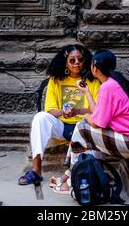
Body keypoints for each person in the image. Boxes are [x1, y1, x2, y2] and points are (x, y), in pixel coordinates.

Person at [52, 49, 129, 194]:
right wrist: (86, 92)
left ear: (94, 67)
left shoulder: (108, 87)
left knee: (82, 128)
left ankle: (73, 179)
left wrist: (84, 117)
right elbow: (97, 113)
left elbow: (96, 123)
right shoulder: (113, 83)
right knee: (84, 132)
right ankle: (76, 176)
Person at [18, 44, 100, 186]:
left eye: (80, 60)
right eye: (72, 60)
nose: (77, 63)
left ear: (85, 61)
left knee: (92, 125)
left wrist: (78, 111)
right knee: (40, 118)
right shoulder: (55, 80)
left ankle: (95, 173)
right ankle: (36, 171)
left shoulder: (92, 81)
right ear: (66, 63)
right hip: (62, 126)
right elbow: (50, 110)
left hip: (84, 127)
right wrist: (63, 112)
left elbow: (97, 111)